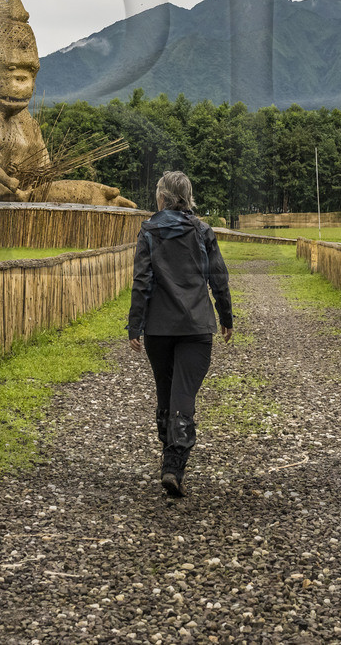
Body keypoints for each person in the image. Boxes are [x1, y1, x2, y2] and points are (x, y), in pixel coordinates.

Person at [128, 171, 233, 498]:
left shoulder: (148, 231)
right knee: (183, 398)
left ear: (162, 198)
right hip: (196, 327)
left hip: (159, 329)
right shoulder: (203, 231)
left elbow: (142, 282)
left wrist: (136, 325)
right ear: (187, 198)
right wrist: (226, 315)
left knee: (165, 391)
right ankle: (174, 466)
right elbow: (218, 277)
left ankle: (168, 459)